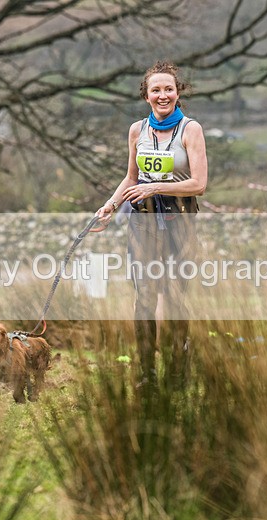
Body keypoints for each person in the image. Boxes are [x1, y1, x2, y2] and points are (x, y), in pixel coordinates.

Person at [92, 60, 208, 389]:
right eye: (155, 90)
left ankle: (177, 371)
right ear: (146, 95)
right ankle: (146, 373)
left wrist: (155, 186)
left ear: (177, 92)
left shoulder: (191, 129)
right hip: (142, 219)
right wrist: (110, 206)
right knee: (144, 296)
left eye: (168, 89)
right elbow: (131, 178)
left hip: (180, 219)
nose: (162, 95)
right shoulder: (136, 130)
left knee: (175, 295)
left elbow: (199, 184)